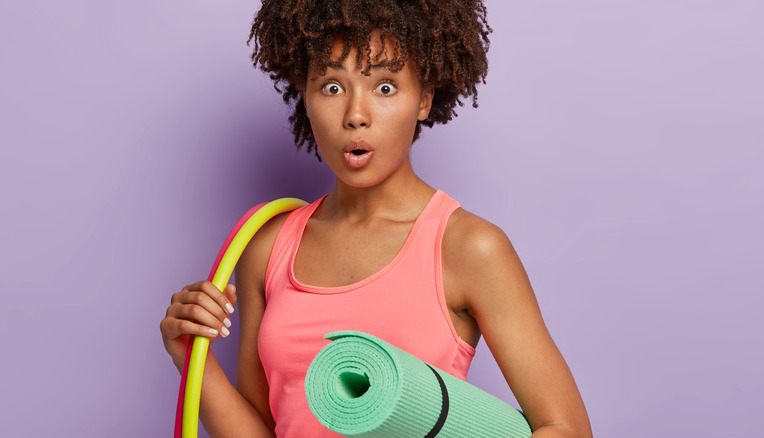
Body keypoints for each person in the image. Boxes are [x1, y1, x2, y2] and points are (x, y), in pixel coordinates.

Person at [160, 1, 593, 437]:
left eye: (385, 88)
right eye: (331, 87)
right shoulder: (269, 247)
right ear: (305, 97)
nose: (355, 115)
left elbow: (567, 428)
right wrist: (191, 358)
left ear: (423, 99)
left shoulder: (467, 247)